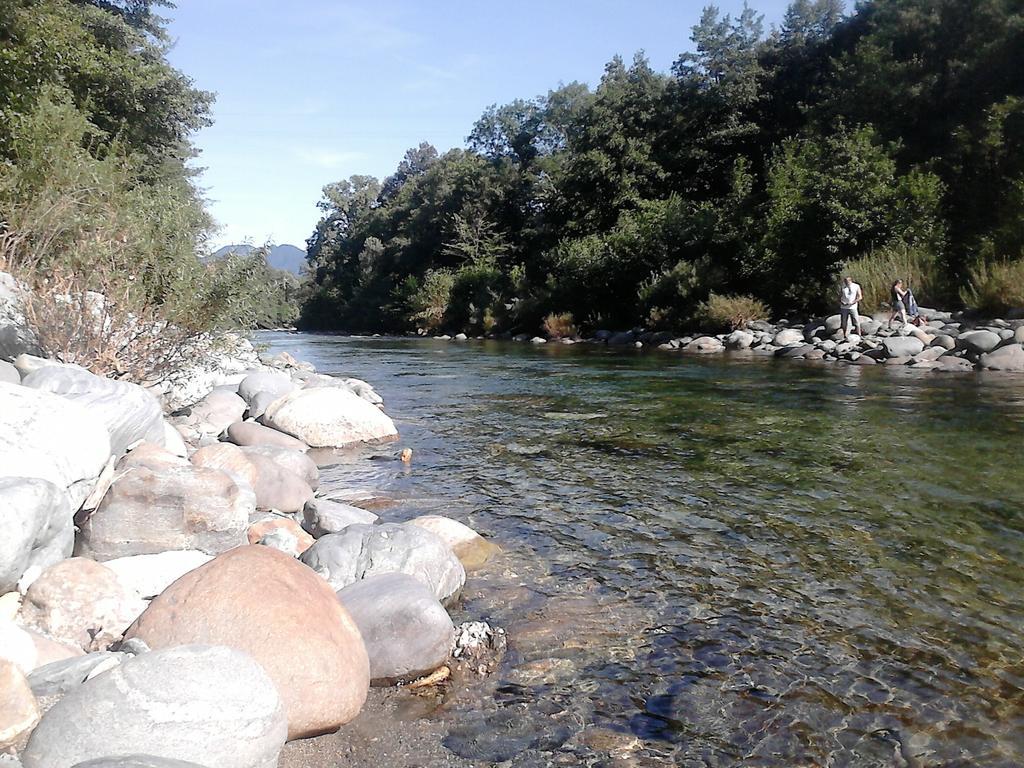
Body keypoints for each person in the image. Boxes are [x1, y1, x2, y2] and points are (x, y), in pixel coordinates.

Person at [839, 275, 863, 340]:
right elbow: (839, 296)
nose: (846, 283)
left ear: (850, 281)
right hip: (844, 307)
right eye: (845, 282)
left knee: (856, 321)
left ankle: (859, 334)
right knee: (844, 322)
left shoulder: (856, 286)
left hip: (853, 307)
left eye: (847, 281)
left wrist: (853, 302)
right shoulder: (843, 287)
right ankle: (844, 335)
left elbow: (860, 297)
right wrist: (841, 302)